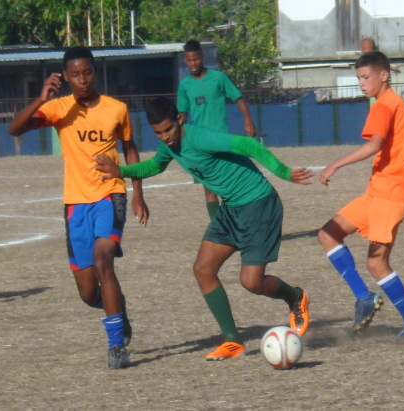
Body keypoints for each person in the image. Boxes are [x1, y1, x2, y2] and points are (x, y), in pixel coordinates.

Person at [93, 97, 311, 361]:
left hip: (258, 204)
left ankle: (295, 296)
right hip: (232, 208)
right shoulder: (169, 146)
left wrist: (284, 172)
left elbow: (248, 144)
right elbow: (154, 165)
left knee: (251, 282)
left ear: (180, 120)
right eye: (158, 133)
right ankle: (232, 340)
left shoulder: (201, 138)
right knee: (203, 269)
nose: (165, 137)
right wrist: (121, 171)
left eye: (168, 130)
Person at [8, 46, 149, 369]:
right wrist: (41, 98)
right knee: (87, 293)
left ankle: (116, 347)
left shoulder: (117, 108)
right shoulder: (58, 109)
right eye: (75, 75)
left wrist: (137, 191)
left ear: (94, 73)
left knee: (104, 262)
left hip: (110, 195)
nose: (83, 80)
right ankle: (116, 309)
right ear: (66, 77)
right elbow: (14, 129)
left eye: (87, 73)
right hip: (75, 204)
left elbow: (130, 149)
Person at [317, 51, 404, 340]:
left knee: (376, 263)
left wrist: (336, 163)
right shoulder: (401, 105)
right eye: (359, 77)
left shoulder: (384, 106)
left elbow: (375, 145)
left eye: (365, 77)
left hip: (391, 196)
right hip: (377, 193)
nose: (361, 83)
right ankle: (364, 298)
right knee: (328, 233)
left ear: (384, 75)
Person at [177, 39, 257, 220]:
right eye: (189, 61)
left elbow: (238, 98)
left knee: (231, 185)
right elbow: (183, 113)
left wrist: (248, 119)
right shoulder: (184, 86)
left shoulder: (218, 78)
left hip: (221, 140)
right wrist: (179, 121)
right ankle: (219, 228)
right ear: (185, 60)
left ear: (202, 57)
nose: (193, 64)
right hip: (200, 144)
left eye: (196, 59)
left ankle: (240, 222)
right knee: (210, 189)